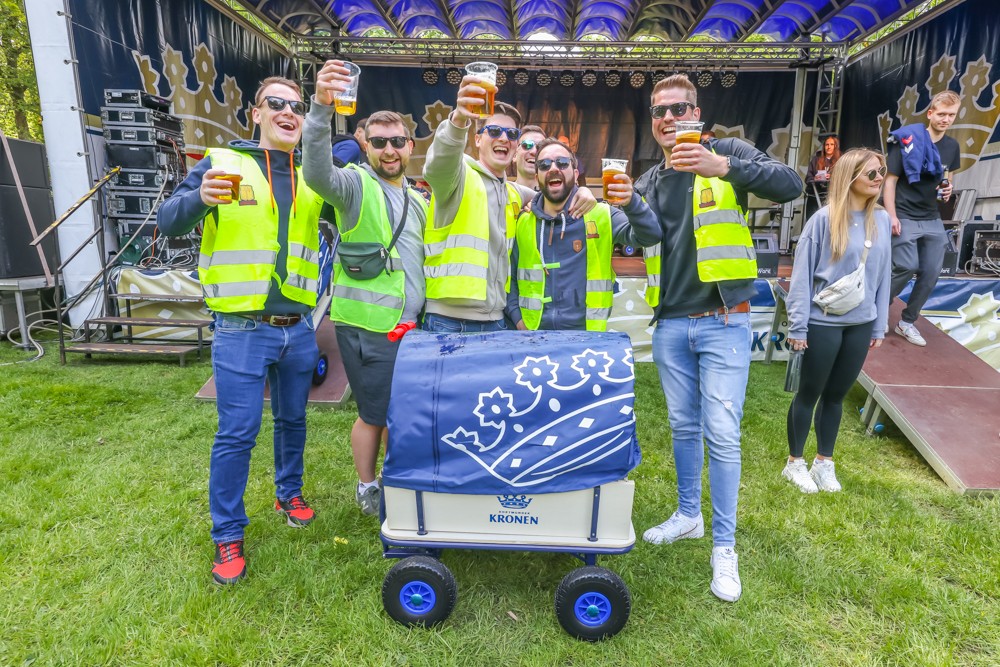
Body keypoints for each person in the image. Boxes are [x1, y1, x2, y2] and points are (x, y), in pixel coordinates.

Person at [635, 74, 802, 602]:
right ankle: (689, 515)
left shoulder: (726, 151)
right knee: (683, 427)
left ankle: (724, 547)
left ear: (696, 112)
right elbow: (633, 234)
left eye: (679, 108)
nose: (668, 118)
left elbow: (791, 184)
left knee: (723, 433)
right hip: (670, 324)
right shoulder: (648, 179)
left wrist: (723, 167)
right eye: (660, 111)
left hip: (724, 320)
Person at [157, 76, 323, 585]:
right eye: (276, 103)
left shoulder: (312, 173)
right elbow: (168, 221)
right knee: (237, 433)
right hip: (241, 329)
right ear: (256, 113)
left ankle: (288, 493)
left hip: (298, 327)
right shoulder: (222, 162)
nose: (288, 112)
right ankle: (227, 534)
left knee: (293, 421)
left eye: (297, 106)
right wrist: (199, 199)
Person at [302, 61, 428, 517]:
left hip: (408, 327)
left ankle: (395, 480)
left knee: (397, 412)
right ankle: (368, 486)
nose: (389, 150)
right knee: (376, 414)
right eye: (379, 142)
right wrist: (321, 108)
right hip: (370, 328)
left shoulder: (417, 197)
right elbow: (317, 174)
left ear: (410, 145)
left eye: (397, 141)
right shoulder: (355, 185)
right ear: (364, 144)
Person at [421, 73, 595, 332]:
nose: (503, 138)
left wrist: (583, 191)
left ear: (515, 147)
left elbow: (553, 192)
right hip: (450, 321)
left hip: (495, 321)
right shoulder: (458, 177)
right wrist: (458, 120)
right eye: (494, 131)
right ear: (477, 139)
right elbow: (438, 165)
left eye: (512, 133)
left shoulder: (512, 192)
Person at [783, 149, 892, 493]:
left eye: (881, 171)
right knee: (809, 393)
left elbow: (883, 274)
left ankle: (824, 462)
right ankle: (794, 463)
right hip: (823, 322)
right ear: (850, 177)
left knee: (836, 395)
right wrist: (798, 326)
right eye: (871, 173)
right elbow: (801, 277)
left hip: (861, 323)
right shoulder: (823, 220)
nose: (879, 178)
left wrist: (879, 323)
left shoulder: (882, 220)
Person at [506, 137, 660, 330]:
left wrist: (632, 202)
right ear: (537, 177)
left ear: (576, 173)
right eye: (544, 164)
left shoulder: (601, 215)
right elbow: (509, 278)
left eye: (562, 162)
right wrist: (518, 320)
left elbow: (651, 236)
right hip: (534, 336)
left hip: (587, 338)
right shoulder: (523, 222)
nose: (553, 168)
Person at [884, 90, 961, 347]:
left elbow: (947, 181)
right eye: (942, 114)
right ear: (930, 113)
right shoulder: (908, 140)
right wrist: (891, 215)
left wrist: (948, 191)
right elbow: (890, 181)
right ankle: (877, 308)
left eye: (951, 115)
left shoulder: (952, 146)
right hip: (904, 214)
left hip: (931, 216)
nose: (946, 119)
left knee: (931, 271)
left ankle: (907, 322)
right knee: (906, 266)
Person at [805, 135, 840, 220]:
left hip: (833, 196)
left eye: (831, 144)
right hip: (815, 196)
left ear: (836, 146)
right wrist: (815, 179)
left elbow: (844, 178)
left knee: (831, 220)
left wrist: (832, 177)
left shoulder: (841, 160)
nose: (829, 147)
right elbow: (808, 178)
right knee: (813, 219)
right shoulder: (816, 159)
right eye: (827, 144)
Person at [513, 125, 546, 189]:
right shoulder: (501, 193)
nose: (534, 152)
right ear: (514, 155)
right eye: (527, 145)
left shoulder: (556, 194)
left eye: (540, 147)